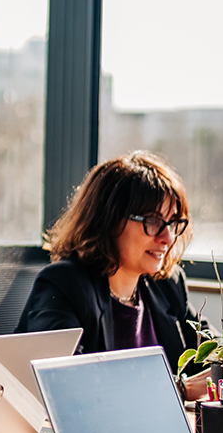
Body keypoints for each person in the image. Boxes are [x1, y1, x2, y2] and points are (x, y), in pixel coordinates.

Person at [14, 151, 211, 396]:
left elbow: (214, 351)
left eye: (172, 222)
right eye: (152, 221)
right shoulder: (64, 285)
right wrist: (180, 389)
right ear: (108, 220)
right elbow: (68, 384)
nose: (167, 238)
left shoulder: (168, 285)